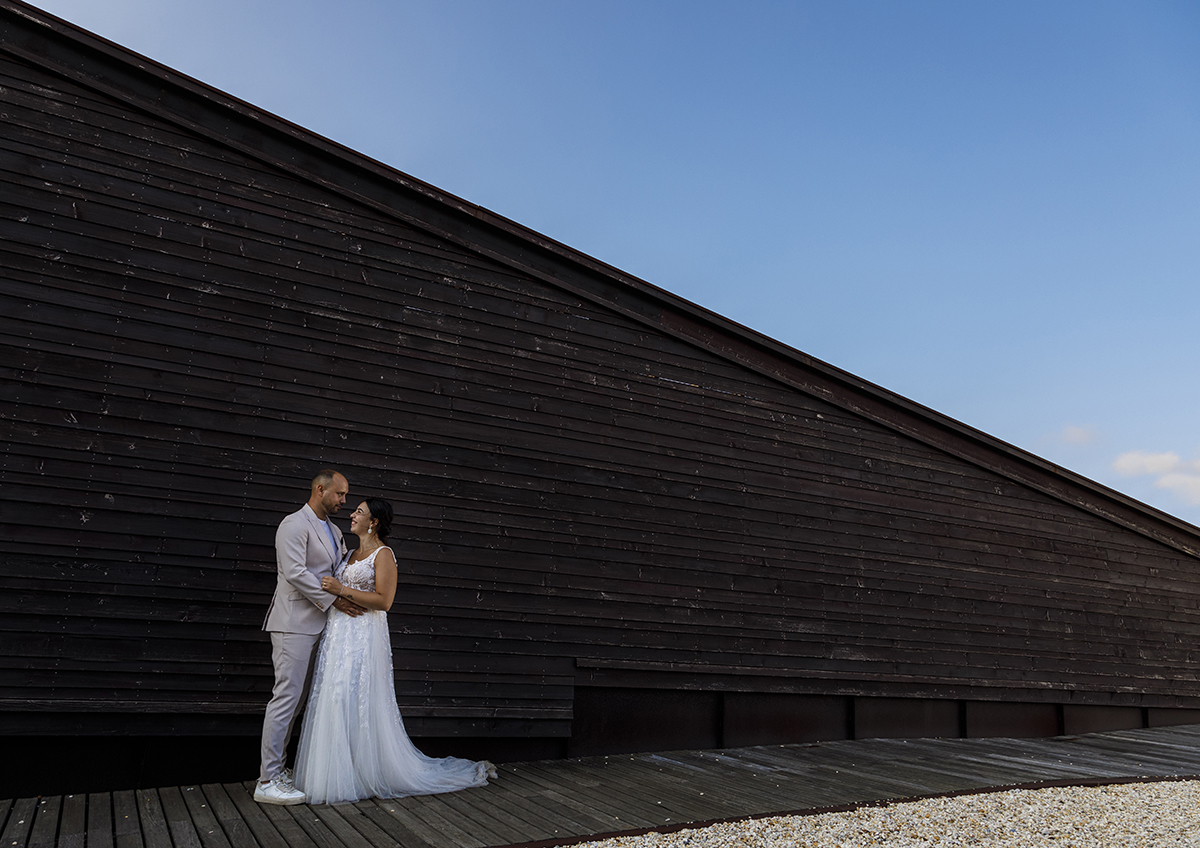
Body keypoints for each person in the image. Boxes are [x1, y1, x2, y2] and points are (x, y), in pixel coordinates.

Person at [293, 497, 496, 804]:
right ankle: (334, 773)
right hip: (338, 637)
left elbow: (385, 601)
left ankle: (364, 772)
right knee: (334, 698)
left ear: (373, 521)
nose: (352, 515)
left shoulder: (383, 554)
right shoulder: (348, 553)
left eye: (359, 512)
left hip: (363, 637)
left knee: (357, 699)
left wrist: (341, 590)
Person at [255, 469, 366, 806]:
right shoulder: (294, 524)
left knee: (299, 702)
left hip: (323, 625)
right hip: (293, 623)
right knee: (285, 699)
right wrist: (335, 599)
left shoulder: (333, 531)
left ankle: (279, 770)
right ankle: (267, 779)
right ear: (321, 490)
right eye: (340, 495)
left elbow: (337, 571)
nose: (344, 502)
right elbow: (294, 572)